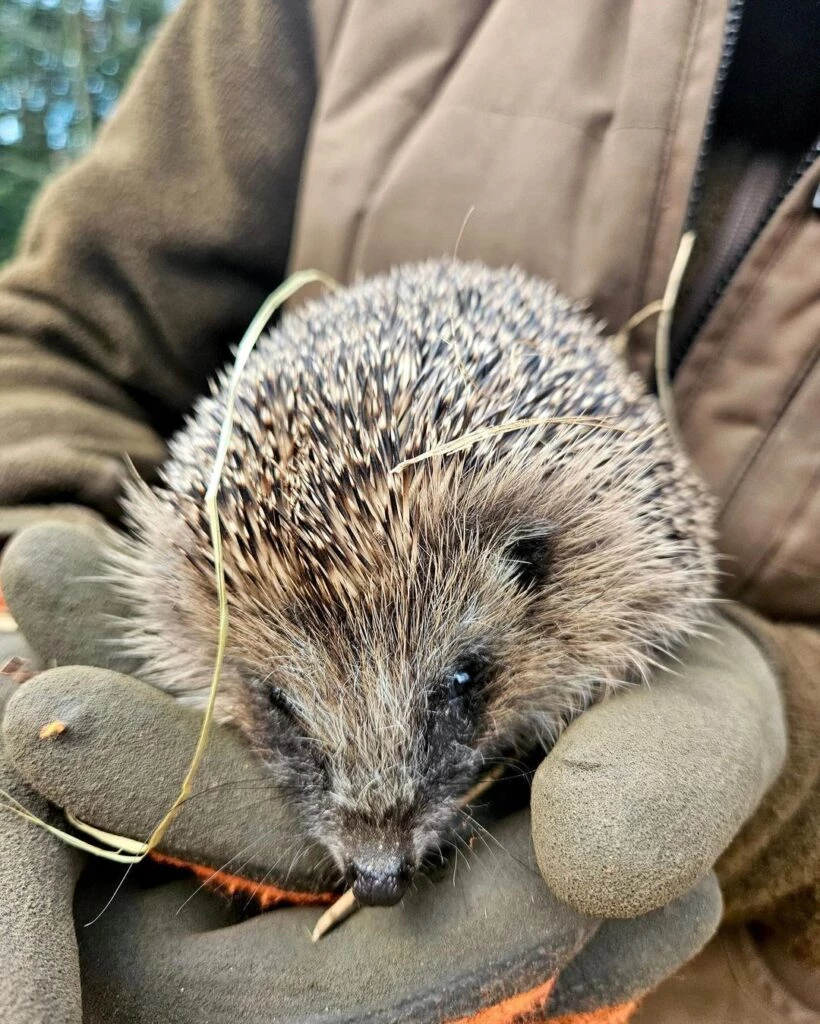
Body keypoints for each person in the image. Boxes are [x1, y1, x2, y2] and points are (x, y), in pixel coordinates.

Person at [0, 1, 817, 1021]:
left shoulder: (579, 562)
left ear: (531, 569)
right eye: (287, 714)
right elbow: (59, 333)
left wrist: (793, 782)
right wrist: (22, 597)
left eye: (459, 685)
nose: (375, 858)